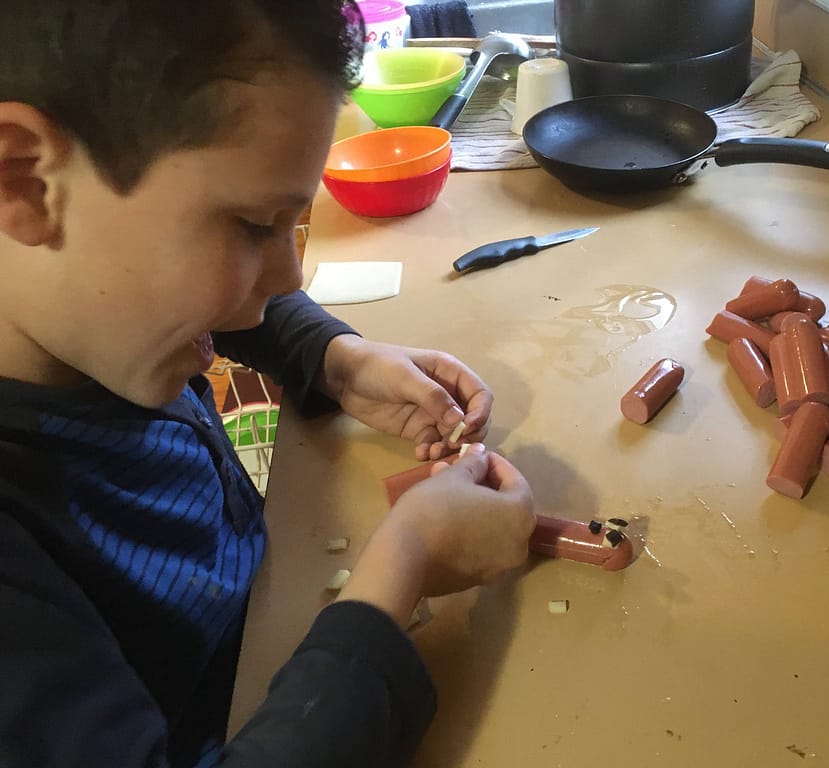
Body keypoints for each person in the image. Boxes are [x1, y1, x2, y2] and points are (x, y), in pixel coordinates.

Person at [0, 2, 536, 766]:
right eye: (254, 225)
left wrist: (334, 358)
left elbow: (251, 302)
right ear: (24, 179)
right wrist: (404, 565)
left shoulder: (90, 322)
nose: (289, 275)